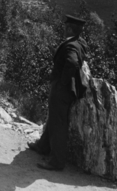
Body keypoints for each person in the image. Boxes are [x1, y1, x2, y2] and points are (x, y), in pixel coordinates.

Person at [28, 14, 89, 171]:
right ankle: (43, 146)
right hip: (67, 89)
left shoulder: (71, 46)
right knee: (54, 118)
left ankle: (57, 161)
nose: (63, 29)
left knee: (58, 124)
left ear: (69, 28)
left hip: (63, 89)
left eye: (65, 27)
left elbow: (72, 63)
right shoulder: (79, 42)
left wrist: (62, 82)